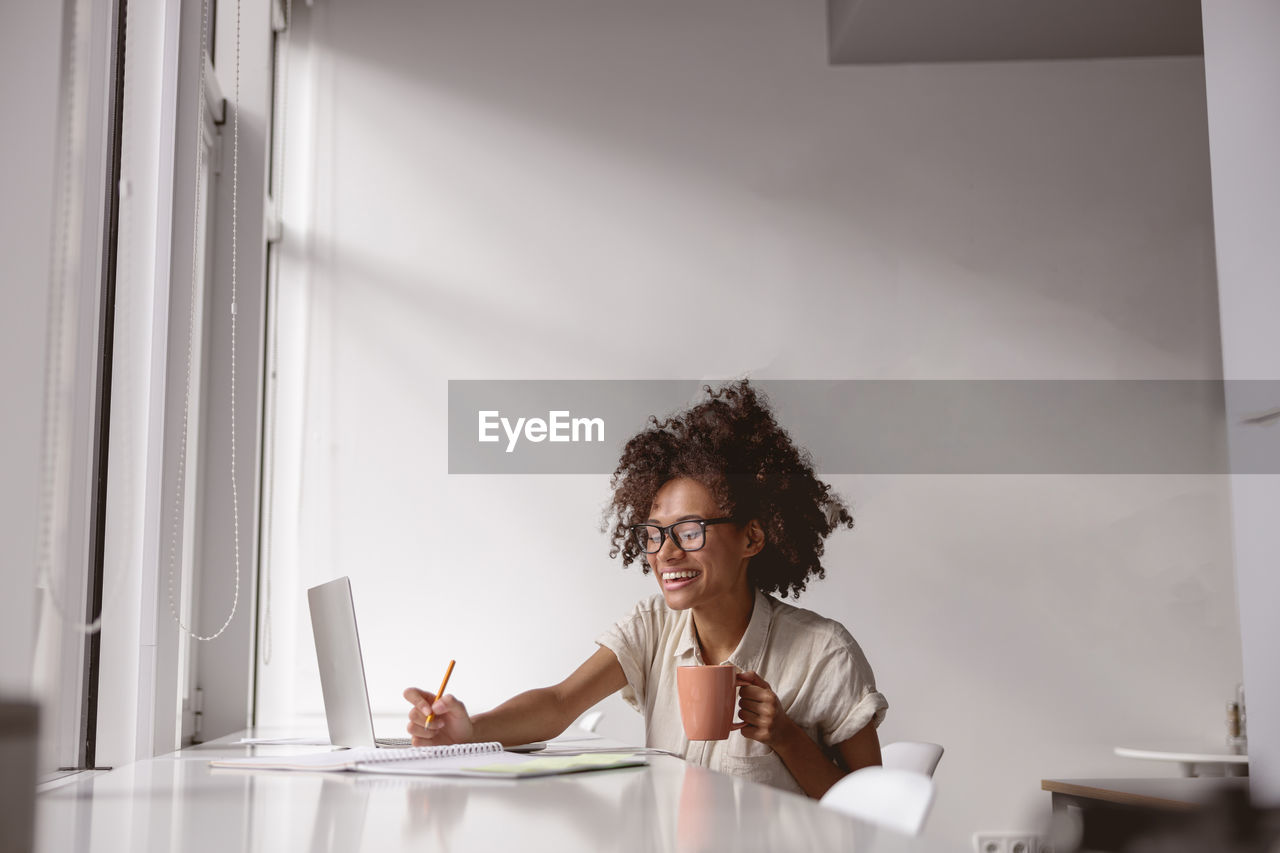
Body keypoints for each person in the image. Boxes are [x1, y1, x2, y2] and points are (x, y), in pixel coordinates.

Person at [404, 380, 887, 798]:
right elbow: (558, 704)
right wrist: (471, 730)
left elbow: (873, 812)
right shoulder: (654, 627)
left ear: (752, 537)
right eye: (655, 532)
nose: (665, 553)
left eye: (690, 530)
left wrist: (786, 737)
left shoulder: (824, 653)